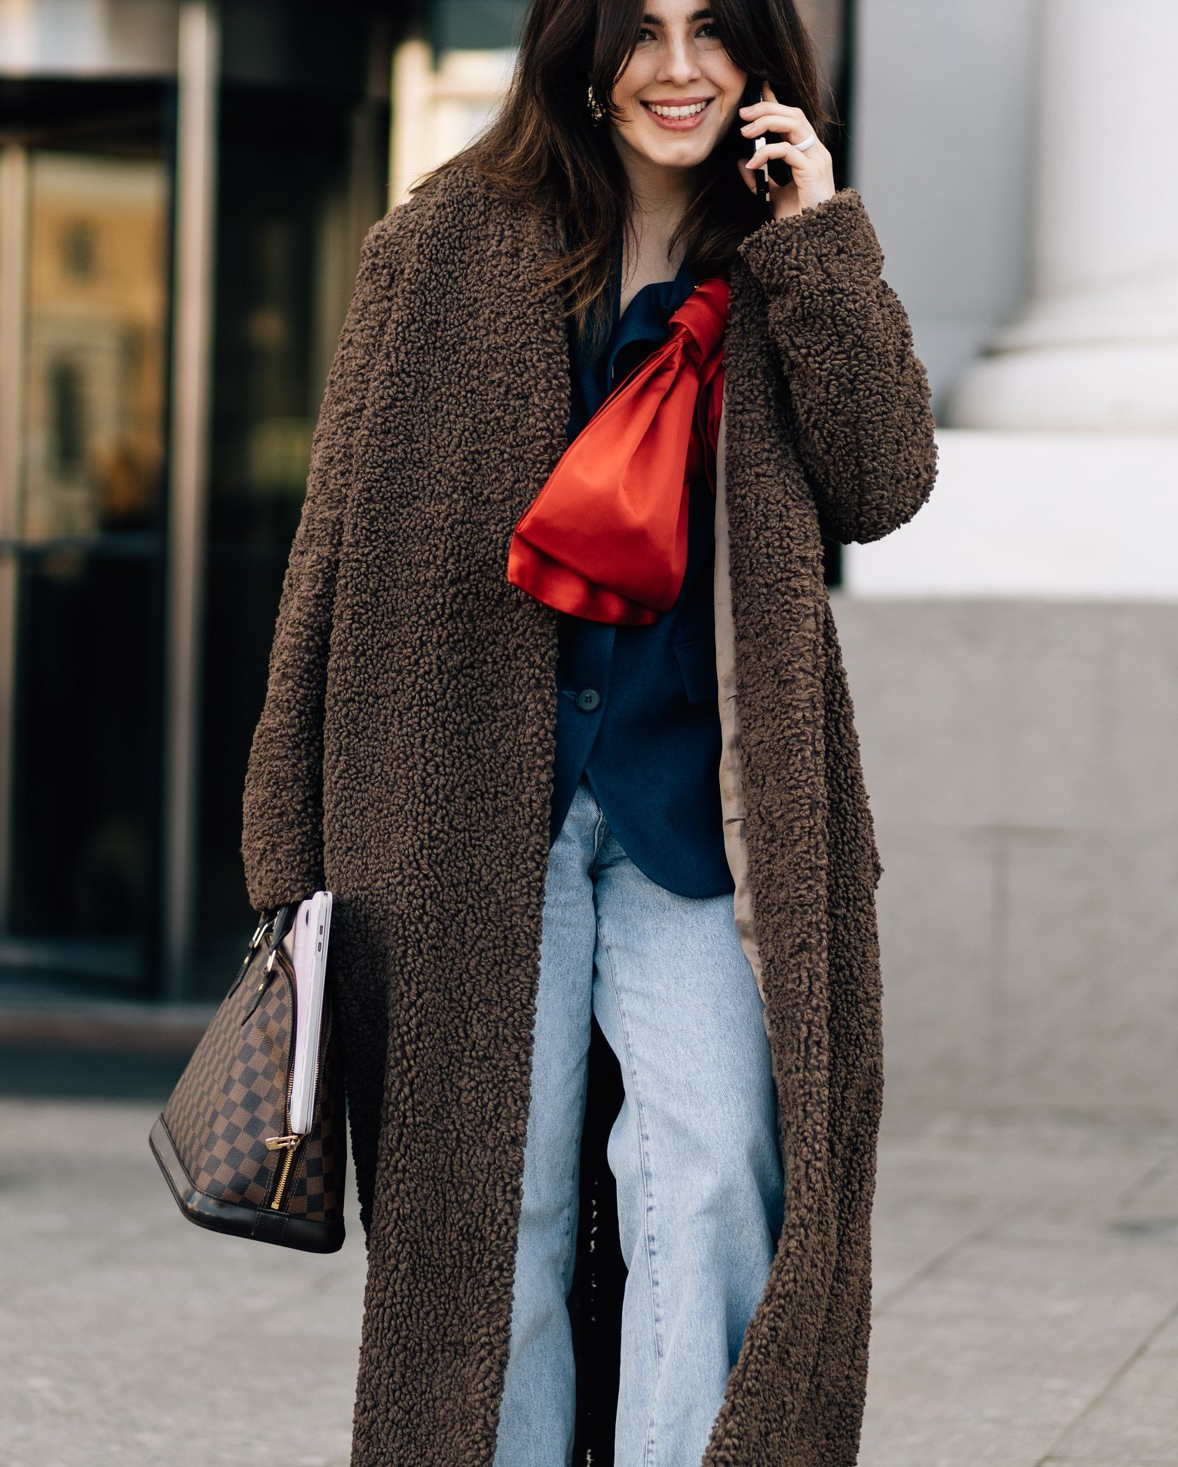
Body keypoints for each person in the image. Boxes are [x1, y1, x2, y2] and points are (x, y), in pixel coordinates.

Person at [240, 0, 936, 1462]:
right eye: (643, 31)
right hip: (476, 814)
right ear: (579, 48)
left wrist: (819, 238)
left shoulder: (779, 263)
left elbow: (882, 484)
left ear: (760, 59)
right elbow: (334, 533)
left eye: (711, 32)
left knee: (717, 1179)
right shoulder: (440, 243)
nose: (678, 70)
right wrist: (284, 832)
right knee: (500, 1210)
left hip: (699, 817)